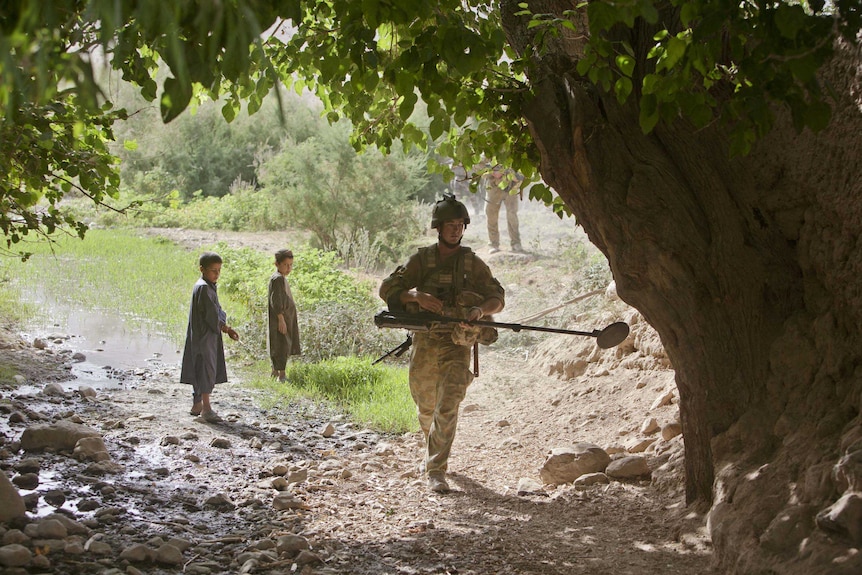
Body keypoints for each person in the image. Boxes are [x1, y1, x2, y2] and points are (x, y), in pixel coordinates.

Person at [379, 194, 505, 493]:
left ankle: (436, 469)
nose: (455, 230)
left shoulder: (472, 263)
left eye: (460, 224)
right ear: (438, 227)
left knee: (448, 405)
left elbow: (497, 298)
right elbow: (387, 288)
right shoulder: (421, 260)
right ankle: (431, 450)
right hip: (425, 340)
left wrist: (480, 310)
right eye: (450, 224)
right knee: (426, 406)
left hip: (457, 344)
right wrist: (415, 295)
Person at [180, 252, 239, 423]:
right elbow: (212, 315)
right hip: (205, 336)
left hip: (202, 335)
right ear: (202, 269)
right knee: (206, 369)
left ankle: (197, 404)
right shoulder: (204, 288)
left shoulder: (206, 285)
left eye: (219, 270)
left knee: (200, 366)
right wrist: (226, 328)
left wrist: (223, 325)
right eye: (213, 271)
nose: (217, 274)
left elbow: (216, 310)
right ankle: (206, 408)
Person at [268, 248, 301, 382]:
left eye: (290, 265)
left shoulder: (281, 278)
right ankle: (281, 375)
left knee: (280, 343)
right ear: (277, 264)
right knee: (281, 344)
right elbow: (276, 300)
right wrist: (281, 318)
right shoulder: (277, 279)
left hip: (285, 318)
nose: (289, 268)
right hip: (281, 319)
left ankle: (275, 372)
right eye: (286, 265)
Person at [482, 165, 525, 253]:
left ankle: (516, 243)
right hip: (493, 187)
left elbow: (521, 171)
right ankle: (493, 244)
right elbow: (479, 167)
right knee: (491, 215)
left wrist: (506, 173)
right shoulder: (488, 154)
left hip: (511, 186)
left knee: (512, 215)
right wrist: (492, 172)